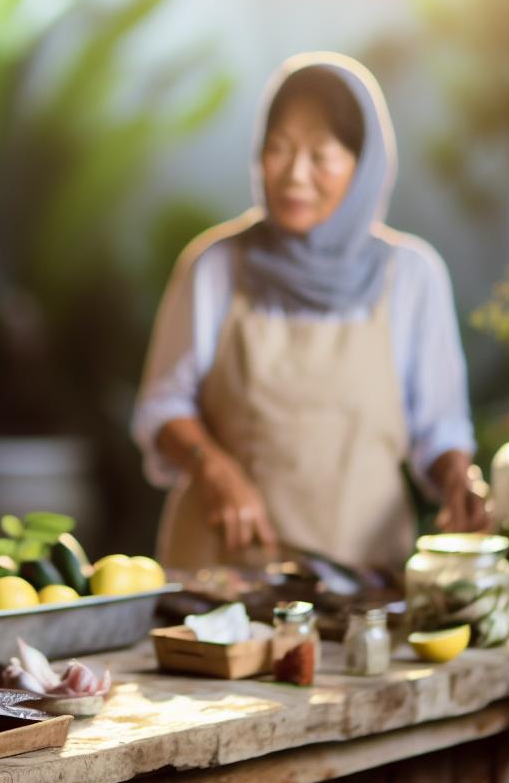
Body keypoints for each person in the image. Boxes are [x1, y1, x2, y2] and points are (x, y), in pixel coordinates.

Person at [132, 52, 489, 574]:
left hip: (363, 584)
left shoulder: (412, 276)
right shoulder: (215, 266)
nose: (295, 175)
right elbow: (162, 408)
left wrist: (459, 478)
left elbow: (440, 429)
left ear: (365, 166)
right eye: (278, 150)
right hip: (221, 582)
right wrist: (213, 468)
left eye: (321, 156)